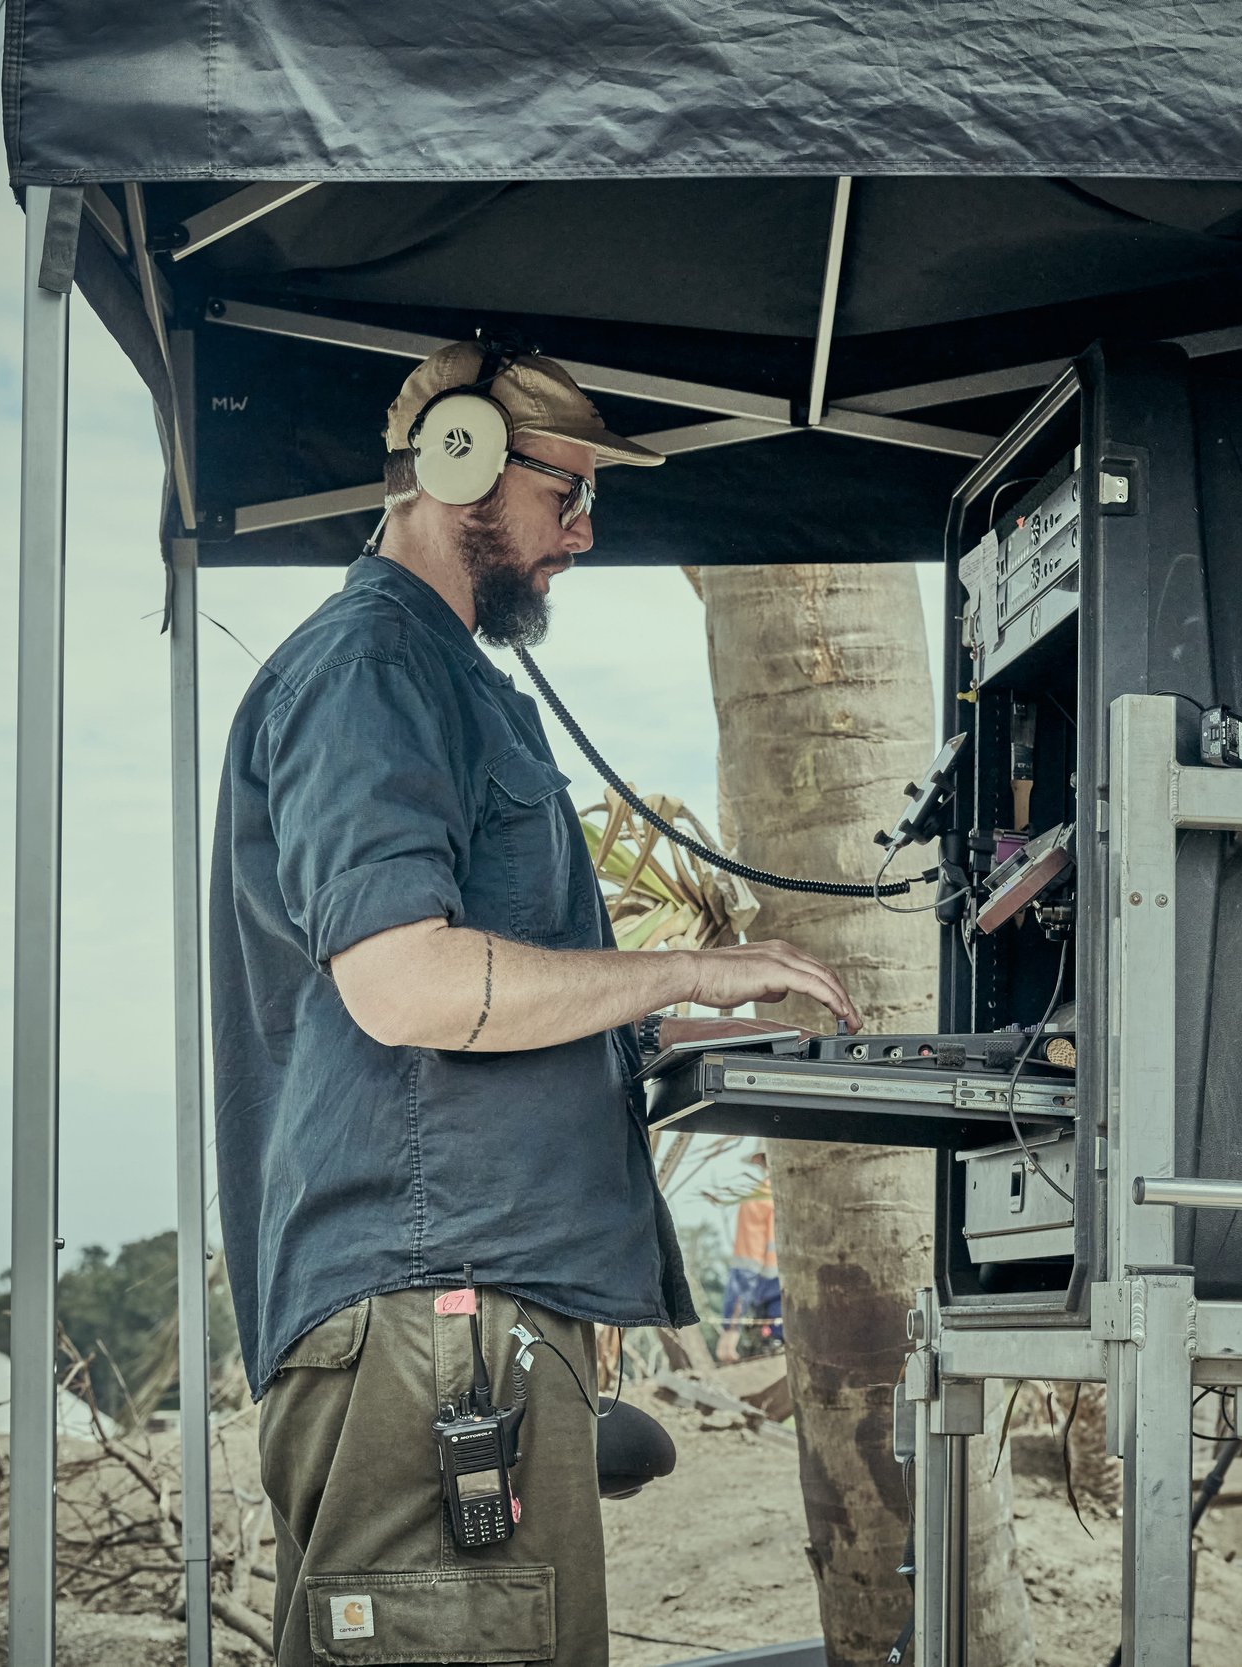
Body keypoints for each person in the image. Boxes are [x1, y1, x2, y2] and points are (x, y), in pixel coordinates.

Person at [211, 340, 860, 1667]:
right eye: (567, 493)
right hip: (433, 1314)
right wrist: (690, 968)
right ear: (457, 463)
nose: (583, 532)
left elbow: (493, 1001)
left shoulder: (448, 679)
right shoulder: (368, 670)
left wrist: (700, 1035)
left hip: (460, 1310)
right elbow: (408, 982)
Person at [714, 1151, 782, 1364]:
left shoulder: (758, 1200)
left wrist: (731, 1329)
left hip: (770, 1295)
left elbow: (746, 1269)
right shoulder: (808, 1193)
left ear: (759, 1161)